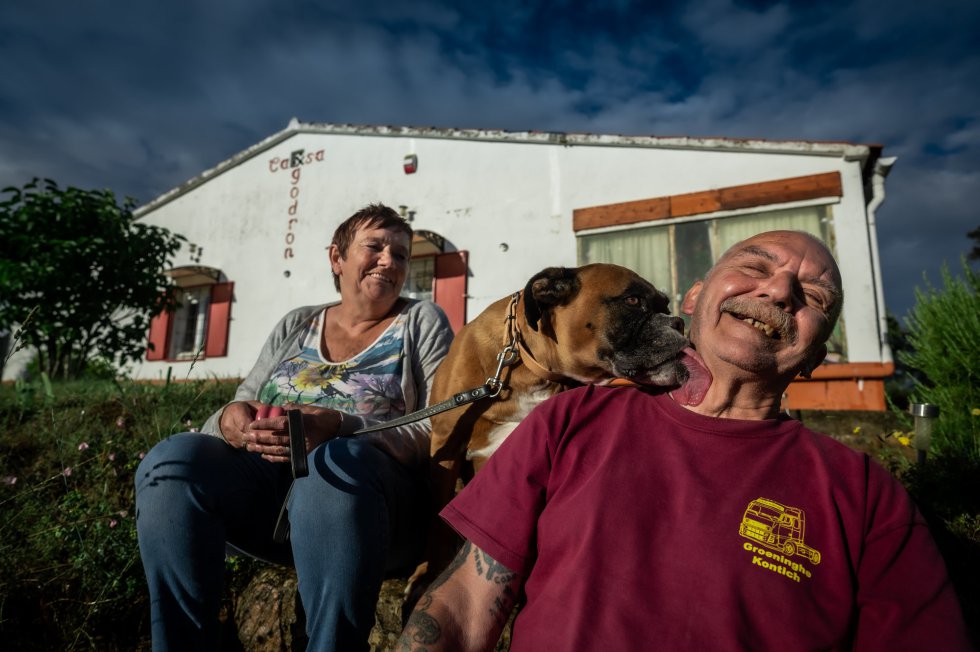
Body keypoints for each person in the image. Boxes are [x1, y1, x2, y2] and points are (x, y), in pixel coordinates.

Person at [397, 230, 973, 651]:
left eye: (813, 297)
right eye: (755, 265)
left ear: (817, 357)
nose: (779, 290)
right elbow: (464, 608)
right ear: (696, 298)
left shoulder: (867, 496)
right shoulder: (566, 421)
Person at [135, 203, 454, 651]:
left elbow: (438, 428)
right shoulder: (297, 323)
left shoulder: (421, 321)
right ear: (336, 258)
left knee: (333, 461)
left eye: (400, 255)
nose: (389, 261)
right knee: (172, 463)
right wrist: (232, 423)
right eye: (375, 247)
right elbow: (238, 404)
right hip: (273, 504)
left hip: (369, 506)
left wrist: (338, 425)